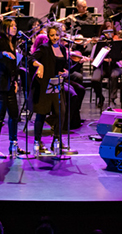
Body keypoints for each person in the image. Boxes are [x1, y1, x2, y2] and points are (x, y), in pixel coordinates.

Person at [30, 24, 86, 155]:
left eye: (56, 35)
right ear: (48, 36)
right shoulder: (44, 48)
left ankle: (57, 141)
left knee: (61, 112)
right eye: (52, 35)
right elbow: (31, 58)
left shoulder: (61, 48)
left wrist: (66, 72)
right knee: (41, 113)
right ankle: (37, 142)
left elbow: (64, 66)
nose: (54, 37)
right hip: (44, 84)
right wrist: (39, 65)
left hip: (57, 83)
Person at [0, 19, 24, 159]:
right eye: (11, 26)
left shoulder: (14, 43)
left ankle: (13, 144)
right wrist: (2, 53)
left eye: (15, 25)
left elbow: (13, 65)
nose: (14, 28)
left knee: (14, 114)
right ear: (5, 28)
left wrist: (15, 81)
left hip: (9, 84)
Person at [90, 21, 122, 108]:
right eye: (107, 32)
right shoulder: (100, 43)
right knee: (95, 79)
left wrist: (119, 53)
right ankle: (100, 97)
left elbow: (121, 58)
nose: (109, 34)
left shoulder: (118, 42)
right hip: (102, 66)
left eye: (111, 32)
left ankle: (112, 99)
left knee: (114, 76)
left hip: (114, 66)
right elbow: (94, 58)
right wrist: (102, 59)